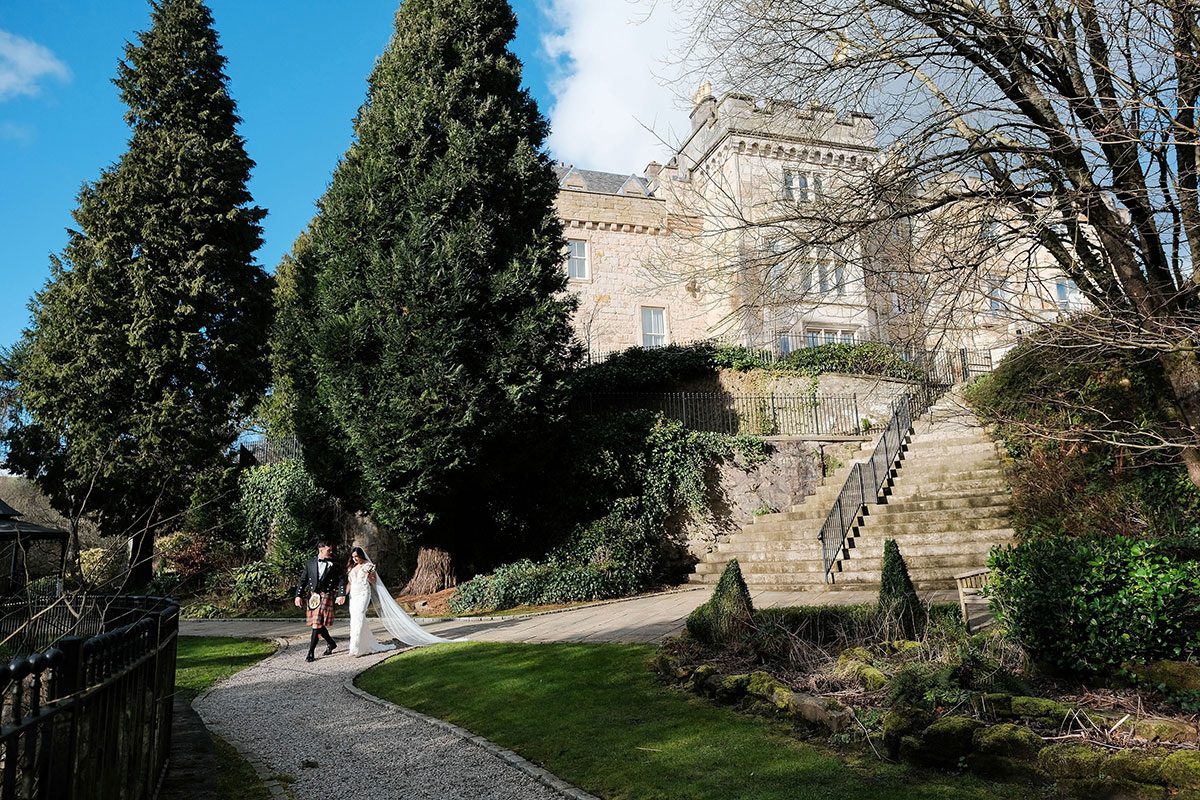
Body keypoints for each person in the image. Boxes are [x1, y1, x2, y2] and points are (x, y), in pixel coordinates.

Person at [344, 546, 464, 654]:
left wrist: (367, 576)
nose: (355, 559)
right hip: (354, 595)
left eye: (357, 557)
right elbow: (350, 583)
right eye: (353, 557)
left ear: (361, 556)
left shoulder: (368, 566)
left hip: (364, 594)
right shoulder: (352, 567)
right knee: (355, 619)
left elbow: (374, 581)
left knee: (360, 615)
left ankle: (355, 648)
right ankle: (364, 645)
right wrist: (343, 595)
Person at [294, 541, 347, 663]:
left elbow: (341, 580)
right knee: (317, 623)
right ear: (321, 550)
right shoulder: (310, 563)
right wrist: (298, 596)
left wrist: (341, 594)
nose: (331, 552)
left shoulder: (334, 564)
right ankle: (331, 643)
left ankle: (310, 652)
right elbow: (303, 580)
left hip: (326, 594)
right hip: (314, 596)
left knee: (316, 622)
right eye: (329, 550)